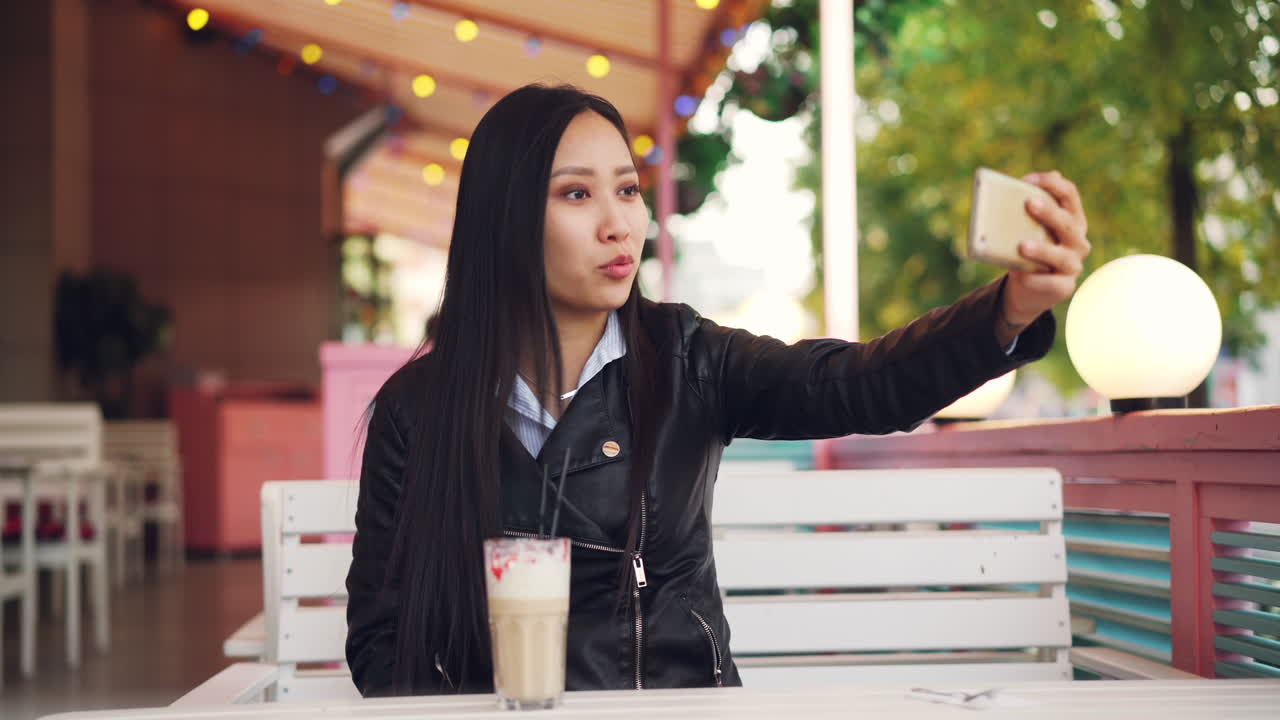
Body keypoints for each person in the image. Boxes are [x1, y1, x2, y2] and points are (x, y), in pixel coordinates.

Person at [345, 84, 1090, 697]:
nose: (620, 224)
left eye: (629, 190)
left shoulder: (687, 359)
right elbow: (380, 637)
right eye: (576, 194)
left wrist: (1009, 309)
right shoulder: (419, 410)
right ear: (505, 221)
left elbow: (859, 387)